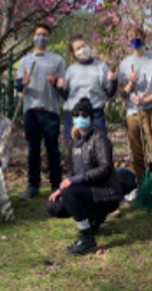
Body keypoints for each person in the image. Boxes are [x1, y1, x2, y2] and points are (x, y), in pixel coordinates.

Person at [46, 98, 124, 255]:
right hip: (87, 190)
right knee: (54, 206)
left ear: (91, 118)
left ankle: (87, 238)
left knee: (70, 193)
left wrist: (74, 181)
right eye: (76, 114)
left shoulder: (99, 137)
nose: (80, 118)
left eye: (84, 115)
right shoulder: (75, 140)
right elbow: (73, 171)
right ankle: (92, 217)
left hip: (106, 192)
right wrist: (62, 187)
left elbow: (106, 168)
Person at [15, 24, 67, 200]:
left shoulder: (57, 60)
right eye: (38, 34)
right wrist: (23, 83)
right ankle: (33, 186)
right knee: (33, 151)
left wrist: (55, 83)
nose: (41, 37)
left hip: (50, 111)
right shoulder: (25, 61)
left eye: (44, 34)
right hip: (31, 111)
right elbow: (18, 85)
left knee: (53, 150)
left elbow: (62, 88)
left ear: (49, 38)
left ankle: (56, 186)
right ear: (33, 37)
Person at [117, 26, 152, 195]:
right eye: (131, 36)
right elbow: (123, 94)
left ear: (144, 37)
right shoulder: (125, 64)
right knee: (138, 155)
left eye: (137, 35)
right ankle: (143, 192)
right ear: (127, 41)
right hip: (133, 113)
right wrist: (130, 84)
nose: (134, 38)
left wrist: (146, 99)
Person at [55, 36, 117, 140]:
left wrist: (113, 81)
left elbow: (110, 93)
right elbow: (65, 96)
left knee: (100, 145)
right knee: (75, 147)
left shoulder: (101, 67)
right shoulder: (70, 70)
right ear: (73, 53)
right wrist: (59, 88)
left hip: (95, 113)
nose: (82, 49)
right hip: (73, 114)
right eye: (78, 48)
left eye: (83, 46)